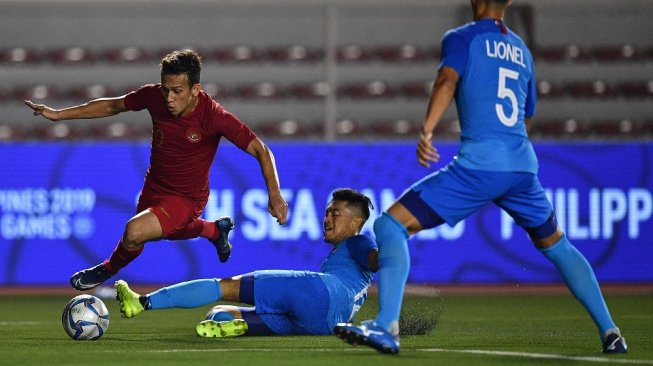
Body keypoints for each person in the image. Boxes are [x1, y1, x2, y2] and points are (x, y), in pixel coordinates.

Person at [335, 0, 627, 355]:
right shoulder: (522, 51)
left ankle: (386, 325)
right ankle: (611, 331)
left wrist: (427, 130)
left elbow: (447, 78)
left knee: (390, 227)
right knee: (557, 244)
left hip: (478, 166)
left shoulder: (463, 38)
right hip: (521, 167)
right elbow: (527, 117)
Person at [25, 49, 288, 291]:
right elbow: (112, 106)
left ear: (195, 89)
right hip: (155, 185)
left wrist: (274, 193)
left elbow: (261, 150)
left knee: (134, 232)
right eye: (165, 90)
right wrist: (58, 115)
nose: (169, 98)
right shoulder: (154, 97)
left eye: (177, 91)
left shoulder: (214, 116)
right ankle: (212, 230)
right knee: (143, 238)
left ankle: (106, 269)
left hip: (187, 197)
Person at [114, 188, 378, 337]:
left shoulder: (358, 242)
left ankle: (142, 302)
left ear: (356, 222)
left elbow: (376, 260)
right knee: (218, 313)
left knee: (224, 285)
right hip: (325, 324)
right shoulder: (347, 255)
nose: (327, 218)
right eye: (326, 212)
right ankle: (233, 326)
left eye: (336, 213)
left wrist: (393, 245)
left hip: (318, 294)